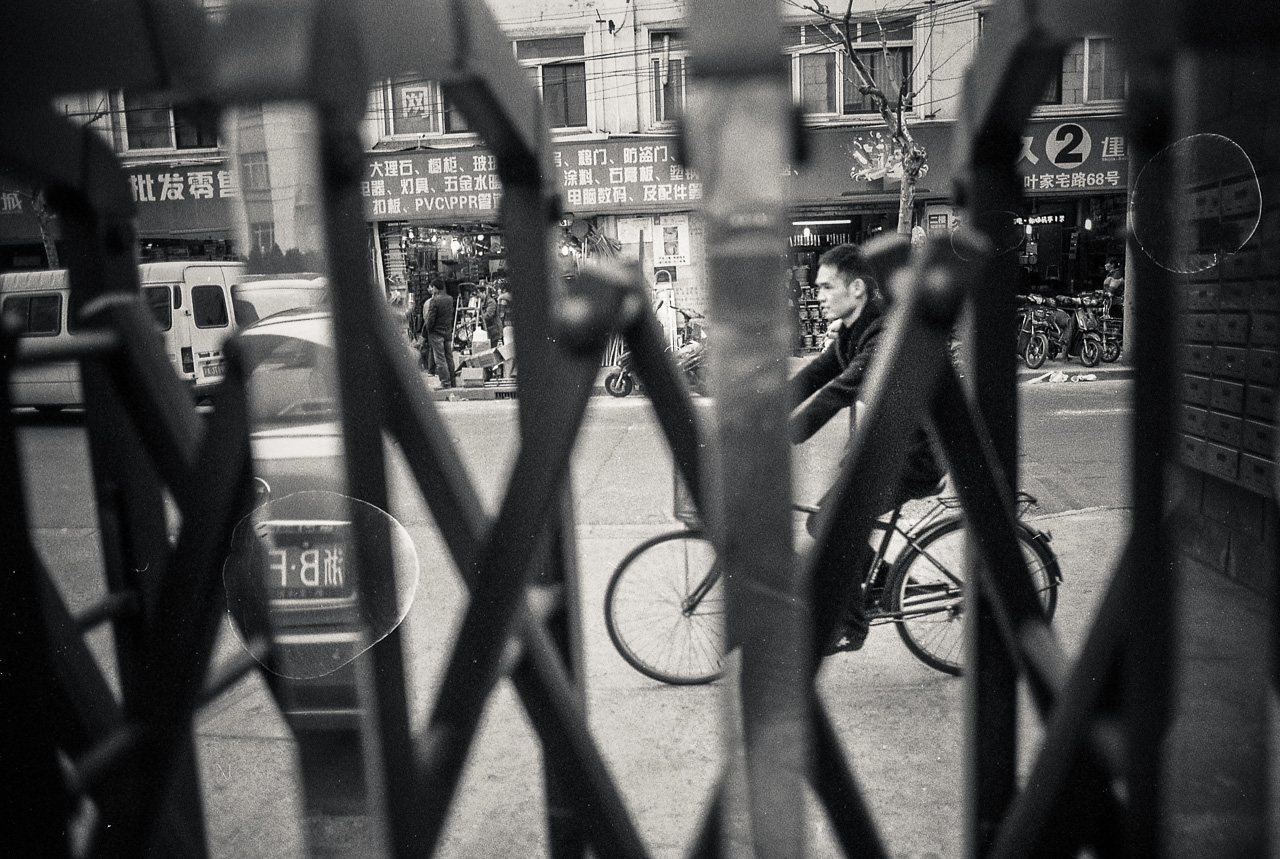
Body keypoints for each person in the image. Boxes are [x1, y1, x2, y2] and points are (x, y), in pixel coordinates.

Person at [789, 242, 946, 653]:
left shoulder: (882, 333)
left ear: (856, 288)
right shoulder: (853, 331)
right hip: (883, 449)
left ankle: (850, 624)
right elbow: (817, 374)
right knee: (823, 521)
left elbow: (841, 390)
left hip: (914, 457)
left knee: (830, 523)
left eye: (825, 288)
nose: (817, 296)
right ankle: (882, 583)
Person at [422, 279, 456, 389]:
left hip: (436, 333)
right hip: (447, 332)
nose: (431, 290)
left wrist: (428, 331)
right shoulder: (450, 299)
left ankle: (445, 383)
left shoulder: (434, 301)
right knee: (449, 357)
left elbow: (430, 319)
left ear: (435, 288)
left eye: (432, 287)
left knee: (440, 359)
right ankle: (452, 381)